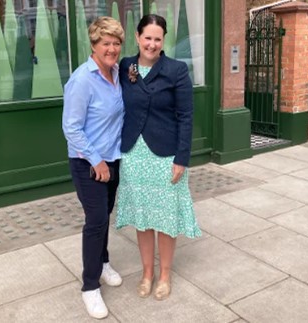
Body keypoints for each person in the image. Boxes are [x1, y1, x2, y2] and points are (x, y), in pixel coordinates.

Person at [116, 14, 202, 301]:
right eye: (147, 37)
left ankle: (164, 274)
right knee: (143, 217)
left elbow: (186, 117)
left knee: (165, 219)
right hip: (134, 153)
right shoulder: (126, 66)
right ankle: (146, 273)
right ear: (138, 37)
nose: (151, 44)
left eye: (157, 38)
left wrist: (182, 158)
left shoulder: (176, 70)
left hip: (166, 155)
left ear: (163, 41)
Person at [62, 16, 125, 319]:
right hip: (88, 162)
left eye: (116, 43)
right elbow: (71, 128)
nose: (112, 48)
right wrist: (96, 160)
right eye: (106, 43)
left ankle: (103, 263)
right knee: (96, 219)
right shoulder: (82, 80)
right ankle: (89, 287)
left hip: (112, 159)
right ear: (94, 44)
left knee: (105, 216)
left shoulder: (117, 74)